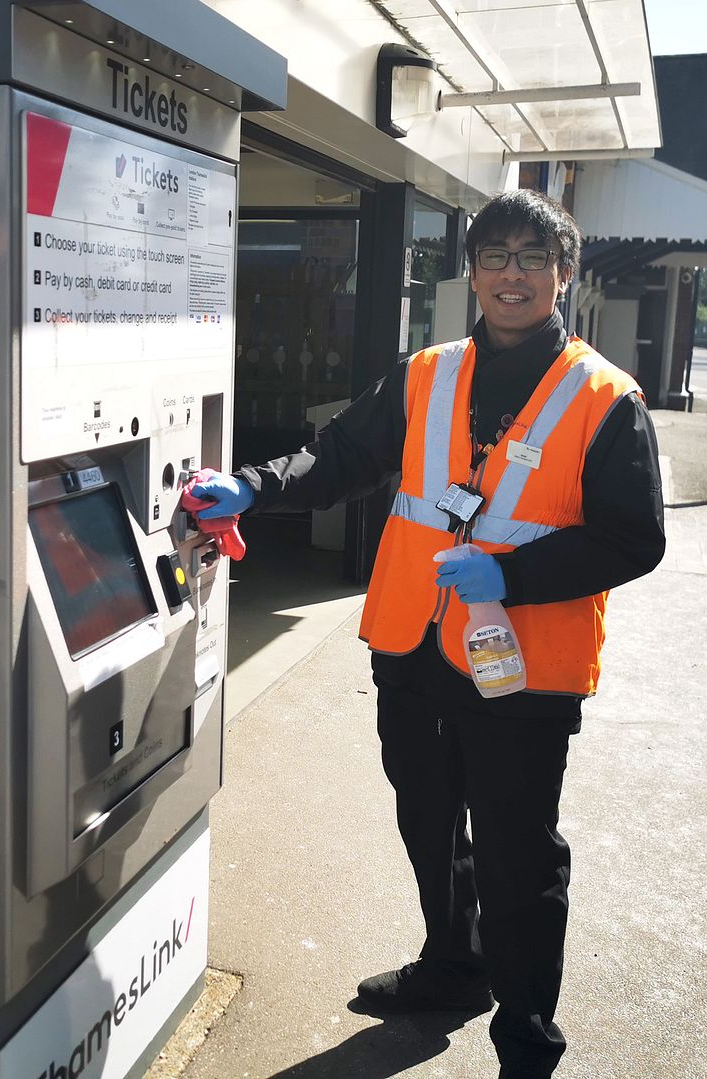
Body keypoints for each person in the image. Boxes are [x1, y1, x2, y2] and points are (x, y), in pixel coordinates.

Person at [191, 189, 666, 1079]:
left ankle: (527, 1036)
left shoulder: (607, 398)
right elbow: (342, 459)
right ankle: (454, 966)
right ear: (473, 272)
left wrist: (513, 575)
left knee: (519, 857)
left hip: (522, 671)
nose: (512, 274)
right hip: (413, 650)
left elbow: (634, 537)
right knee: (429, 823)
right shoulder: (427, 373)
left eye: (532, 257)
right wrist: (255, 483)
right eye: (495, 256)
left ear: (562, 274)